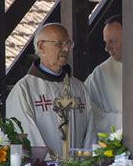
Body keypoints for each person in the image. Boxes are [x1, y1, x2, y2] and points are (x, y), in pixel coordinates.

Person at [6, 23, 96, 158]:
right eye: (59, 44)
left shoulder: (79, 88)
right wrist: (51, 165)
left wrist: (85, 165)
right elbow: (25, 135)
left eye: (68, 43)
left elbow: (90, 132)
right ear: (41, 46)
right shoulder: (25, 90)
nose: (66, 48)